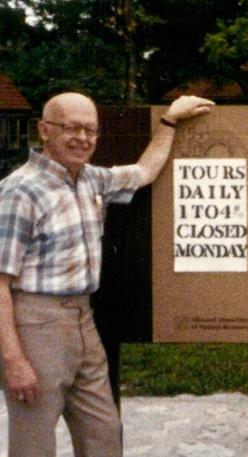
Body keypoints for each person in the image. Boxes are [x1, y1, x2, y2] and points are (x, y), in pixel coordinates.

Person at [0, 92, 214, 457]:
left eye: (90, 130)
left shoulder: (91, 179)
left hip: (83, 320)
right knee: (33, 443)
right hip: (36, 324)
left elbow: (144, 172)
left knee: (104, 434)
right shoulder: (19, 191)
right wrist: (14, 360)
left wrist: (170, 121)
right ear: (44, 130)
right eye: (71, 128)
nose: (82, 138)